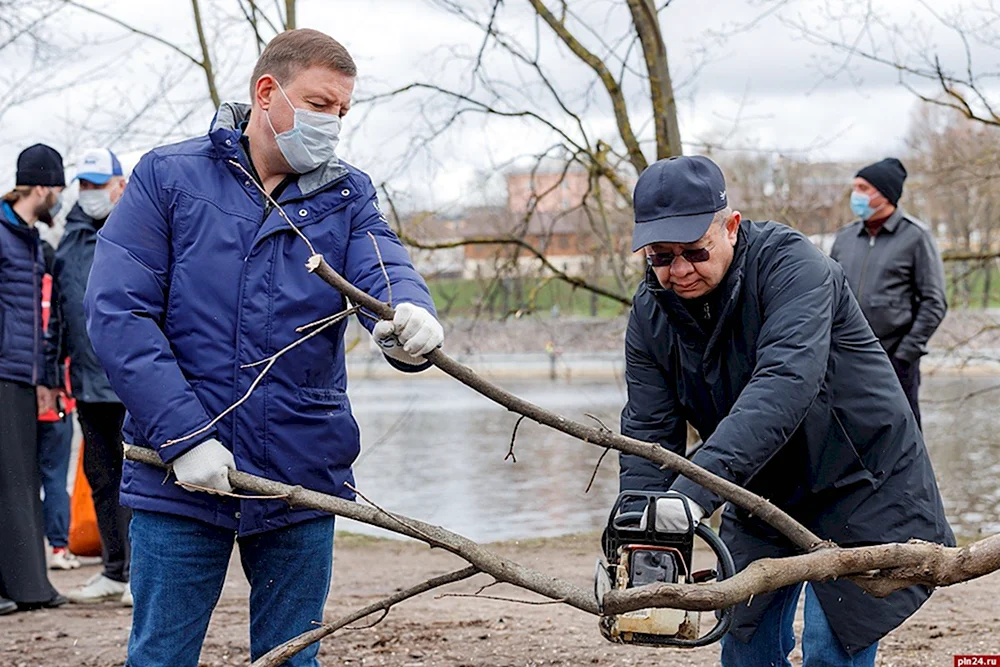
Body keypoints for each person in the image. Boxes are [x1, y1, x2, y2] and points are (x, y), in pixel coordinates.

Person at [84, 29, 443, 666]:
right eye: (319, 103)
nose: (332, 123)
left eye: (342, 111)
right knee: (161, 655)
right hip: (178, 478)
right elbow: (120, 314)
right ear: (267, 92)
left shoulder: (346, 193)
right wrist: (184, 437)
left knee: (292, 656)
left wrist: (408, 316)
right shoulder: (168, 177)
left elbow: (381, 268)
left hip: (300, 472)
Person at [617, 155, 954, 666]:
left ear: (730, 227)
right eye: (661, 257)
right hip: (759, 482)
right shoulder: (650, 313)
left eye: (694, 252)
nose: (679, 270)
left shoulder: (795, 267)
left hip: (859, 478)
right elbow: (649, 429)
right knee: (744, 645)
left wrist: (690, 496)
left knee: (831, 647)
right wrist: (641, 523)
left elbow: (784, 385)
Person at [46, 148, 132, 604]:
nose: (91, 193)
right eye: (85, 185)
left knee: (142, 480)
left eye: (99, 184)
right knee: (102, 476)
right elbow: (60, 314)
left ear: (120, 184)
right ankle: (114, 571)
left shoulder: (140, 229)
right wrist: (50, 371)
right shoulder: (71, 241)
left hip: (136, 380)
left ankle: (141, 574)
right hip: (87, 382)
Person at [0, 143, 68, 613]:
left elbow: (42, 319)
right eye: (58, 189)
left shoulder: (31, 242)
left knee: (22, 481)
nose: (58, 200)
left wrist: (45, 377)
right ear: (41, 187)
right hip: (2, 371)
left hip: (24, 378)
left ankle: (27, 587)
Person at [830, 158, 947, 426]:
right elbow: (830, 292)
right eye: (854, 187)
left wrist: (905, 354)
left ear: (884, 194)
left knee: (901, 434)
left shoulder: (916, 236)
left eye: (863, 187)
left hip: (895, 360)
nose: (855, 195)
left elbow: (934, 301)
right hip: (846, 358)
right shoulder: (845, 238)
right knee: (848, 433)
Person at [38, 237, 80, 571]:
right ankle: (58, 548)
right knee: (54, 476)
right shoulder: (57, 289)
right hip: (57, 400)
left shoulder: (19, 294)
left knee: (20, 480)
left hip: (23, 397)